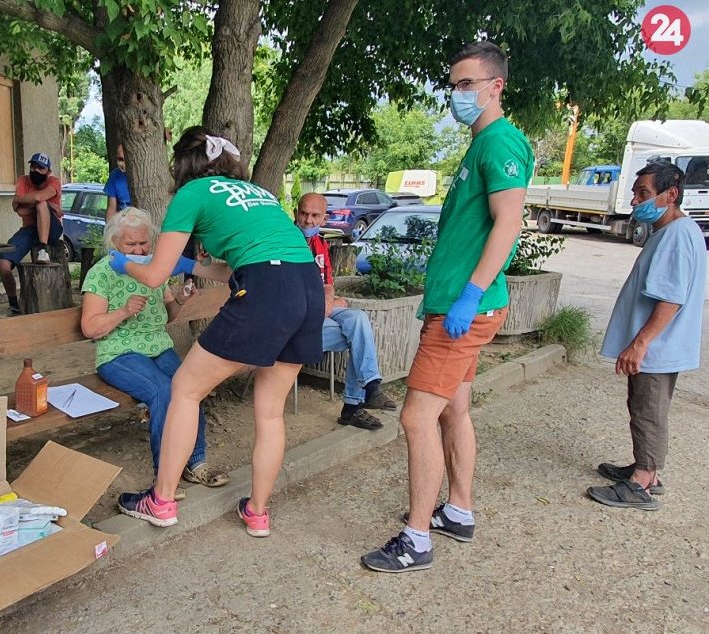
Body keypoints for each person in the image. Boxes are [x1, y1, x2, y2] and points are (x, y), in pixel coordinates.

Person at [362, 41, 533, 573]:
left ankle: (416, 539)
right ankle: (457, 511)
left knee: (416, 418)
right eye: (454, 84)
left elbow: (509, 222)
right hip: (461, 306)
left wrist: (471, 293)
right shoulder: (481, 144)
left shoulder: (500, 141)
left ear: (495, 86)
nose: (457, 93)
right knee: (453, 408)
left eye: (466, 84)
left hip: (465, 310)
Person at [113, 126, 324, 537]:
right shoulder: (258, 194)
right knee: (270, 411)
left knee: (185, 390)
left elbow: (154, 275)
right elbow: (236, 267)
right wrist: (190, 266)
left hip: (266, 290)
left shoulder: (192, 193)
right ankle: (258, 514)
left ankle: (162, 500)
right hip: (306, 288)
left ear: (184, 165)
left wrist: (123, 263)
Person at [81, 207, 230, 496]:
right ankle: (166, 478)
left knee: (190, 385)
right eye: (131, 245)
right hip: (118, 353)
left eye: (143, 243)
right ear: (115, 244)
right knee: (163, 390)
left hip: (158, 346)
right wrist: (123, 312)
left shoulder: (155, 267)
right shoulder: (101, 273)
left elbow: (168, 316)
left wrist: (181, 300)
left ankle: (196, 463)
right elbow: (90, 328)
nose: (139, 249)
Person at [587, 160, 705, 511]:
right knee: (645, 406)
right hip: (659, 346)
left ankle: (642, 481)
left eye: (644, 194)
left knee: (648, 409)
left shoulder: (676, 235)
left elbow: (671, 298)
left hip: (657, 348)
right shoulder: (675, 231)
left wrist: (640, 344)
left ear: (671, 195)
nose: (636, 202)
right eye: (635, 194)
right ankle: (646, 467)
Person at [295, 192, 397, 430]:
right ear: (295, 213)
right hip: (296, 324)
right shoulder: (286, 242)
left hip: (321, 312)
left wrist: (328, 300)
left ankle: (367, 390)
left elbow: (328, 283)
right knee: (358, 335)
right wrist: (323, 304)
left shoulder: (320, 242)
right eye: (304, 213)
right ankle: (355, 403)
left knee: (358, 319)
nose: (308, 220)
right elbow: (287, 292)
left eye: (315, 215)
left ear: (324, 217)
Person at [0, 152, 63, 315]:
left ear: (48, 172)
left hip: (52, 229)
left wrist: (25, 200)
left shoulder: (54, 182)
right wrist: (44, 203)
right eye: (33, 166)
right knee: (3, 261)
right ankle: (13, 304)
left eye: (40, 168)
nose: (35, 170)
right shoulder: (22, 180)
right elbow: (19, 210)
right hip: (30, 229)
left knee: (41, 205)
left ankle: (43, 249)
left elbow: (37, 198)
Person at [104, 144, 130, 221]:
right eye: (121, 159)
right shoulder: (115, 176)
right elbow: (111, 210)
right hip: (123, 224)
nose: (123, 163)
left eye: (126, 159)